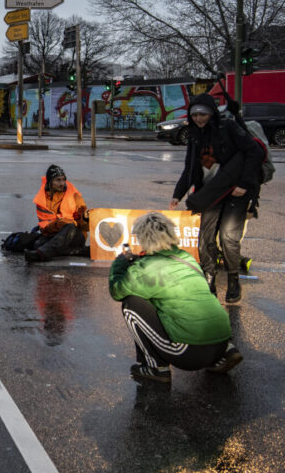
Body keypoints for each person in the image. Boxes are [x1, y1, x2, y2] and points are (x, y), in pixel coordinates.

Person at [109, 212, 243, 384]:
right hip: (222, 341)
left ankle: (157, 368)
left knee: (131, 303)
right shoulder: (187, 258)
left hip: (189, 353)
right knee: (191, 298)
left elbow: (117, 291)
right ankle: (226, 351)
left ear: (144, 238)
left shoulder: (146, 267)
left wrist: (120, 263)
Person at [169, 93, 264, 303]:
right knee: (205, 239)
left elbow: (254, 152)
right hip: (208, 194)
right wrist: (178, 193)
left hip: (234, 192)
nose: (199, 118)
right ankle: (209, 280)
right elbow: (190, 168)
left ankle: (232, 280)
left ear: (212, 113)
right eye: (194, 115)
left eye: (203, 114)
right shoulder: (194, 136)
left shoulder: (227, 128)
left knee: (228, 237)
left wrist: (243, 184)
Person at [24, 164, 90, 262]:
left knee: (70, 227)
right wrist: (60, 224)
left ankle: (41, 255)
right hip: (55, 234)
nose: (62, 183)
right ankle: (80, 251)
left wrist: (85, 218)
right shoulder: (42, 199)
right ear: (50, 182)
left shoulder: (74, 195)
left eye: (63, 179)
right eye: (58, 180)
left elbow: (85, 227)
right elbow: (44, 227)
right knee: (37, 244)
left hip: (75, 235)